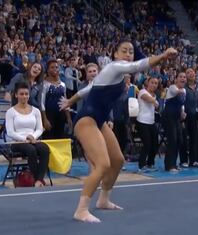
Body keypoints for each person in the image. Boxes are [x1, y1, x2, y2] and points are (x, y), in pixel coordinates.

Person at [58, 41, 177, 223]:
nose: (128, 54)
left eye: (131, 51)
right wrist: (162, 56)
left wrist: (69, 101)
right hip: (86, 120)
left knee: (118, 160)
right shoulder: (114, 67)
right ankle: (81, 210)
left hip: (99, 121)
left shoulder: (118, 76)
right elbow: (138, 65)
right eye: (124, 51)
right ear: (115, 54)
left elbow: (88, 89)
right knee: (103, 165)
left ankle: (103, 199)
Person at [5, 82, 49, 187]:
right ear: (16, 95)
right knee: (31, 150)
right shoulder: (11, 112)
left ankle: (39, 180)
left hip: (33, 139)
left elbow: (39, 129)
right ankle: (36, 179)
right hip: (17, 142)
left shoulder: (36, 111)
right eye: (21, 94)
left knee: (44, 148)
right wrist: (25, 138)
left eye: (26, 94)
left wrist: (33, 137)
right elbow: (10, 132)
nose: (24, 96)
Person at [162, 72, 187, 172]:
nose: (183, 79)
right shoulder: (172, 87)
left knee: (179, 140)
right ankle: (169, 165)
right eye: (180, 77)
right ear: (176, 79)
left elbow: (181, 104)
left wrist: (182, 112)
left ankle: (174, 163)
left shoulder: (184, 90)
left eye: (184, 77)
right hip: (168, 116)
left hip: (176, 117)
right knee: (172, 140)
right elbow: (179, 94)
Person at [180, 68, 198, 168]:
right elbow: (181, 102)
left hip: (195, 115)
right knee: (183, 139)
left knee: (195, 138)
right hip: (184, 115)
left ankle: (194, 160)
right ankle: (183, 160)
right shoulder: (183, 87)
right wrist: (181, 115)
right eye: (188, 72)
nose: (191, 74)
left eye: (192, 72)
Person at [136, 77, 160, 172]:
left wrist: (155, 102)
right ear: (148, 83)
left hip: (151, 122)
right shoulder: (142, 92)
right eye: (152, 82)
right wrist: (155, 102)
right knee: (147, 144)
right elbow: (149, 100)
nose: (154, 85)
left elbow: (156, 105)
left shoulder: (154, 95)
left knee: (155, 144)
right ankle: (141, 166)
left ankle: (150, 163)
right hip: (142, 121)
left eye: (156, 83)